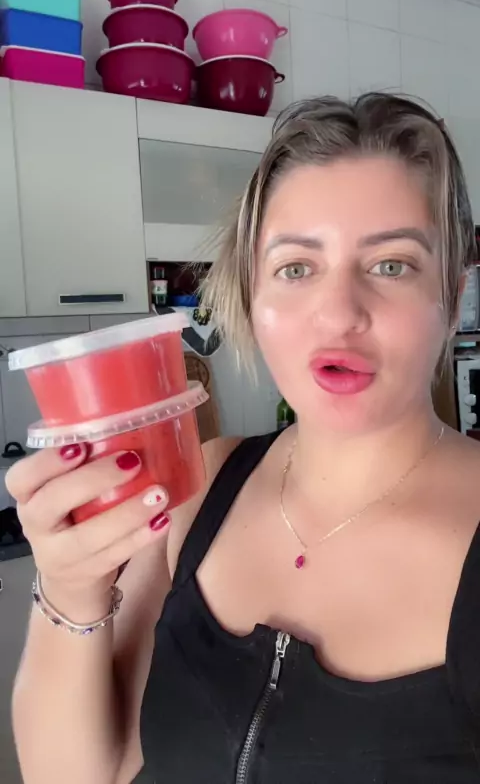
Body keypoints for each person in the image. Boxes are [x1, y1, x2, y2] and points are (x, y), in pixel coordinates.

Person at [8, 93, 480, 784]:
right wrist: (69, 588)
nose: (338, 314)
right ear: (253, 296)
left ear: (455, 296)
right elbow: (80, 775)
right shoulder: (206, 483)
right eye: (296, 268)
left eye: (391, 265)